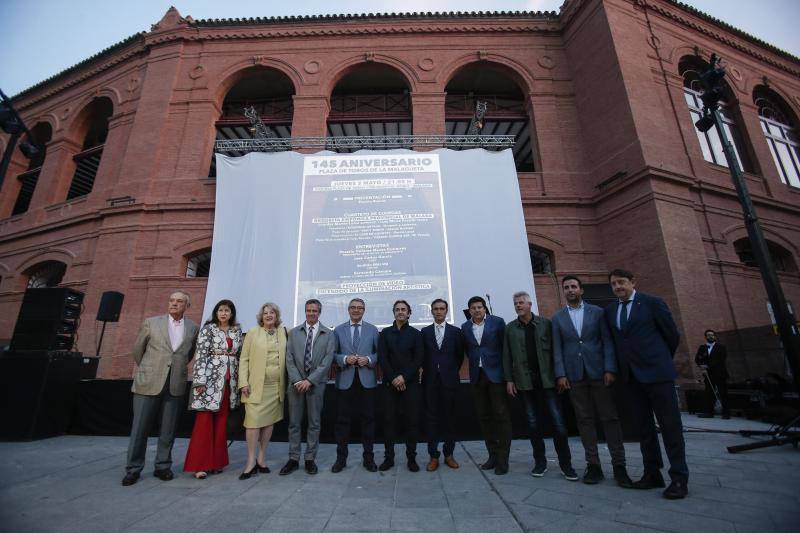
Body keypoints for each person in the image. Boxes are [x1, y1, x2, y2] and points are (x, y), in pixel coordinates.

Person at [604, 269, 688, 499]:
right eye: (613, 284)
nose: (618, 287)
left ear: (633, 282)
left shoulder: (652, 303)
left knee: (670, 427)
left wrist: (659, 359)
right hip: (631, 378)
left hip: (657, 375)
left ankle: (679, 478)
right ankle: (652, 473)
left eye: (621, 282)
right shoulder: (611, 310)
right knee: (644, 429)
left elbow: (672, 335)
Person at [551, 277, 633, 487]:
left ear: (581, 290)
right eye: (567, 287)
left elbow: (607, 341)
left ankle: (619, 465)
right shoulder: (558, 318)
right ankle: (593, 465)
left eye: (573, 287)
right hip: (574, 376)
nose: (570, 290)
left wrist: (609, 368)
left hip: (599, 373)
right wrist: (561, 374)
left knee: (610, 418)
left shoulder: (597, 312)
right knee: (584, 420)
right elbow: (557, 348)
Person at [122, 291, 199, 486]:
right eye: (172, 300)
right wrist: (150, 369)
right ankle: (133, 469)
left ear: (186, 306)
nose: (174, 304)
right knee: (140, 428)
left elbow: (187, 354)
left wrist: (175, 368)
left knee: (168, 429)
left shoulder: (192, 327)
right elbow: (138, 350)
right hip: (149, 381)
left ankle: (163, 466)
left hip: (175, 384)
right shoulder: (151, 322)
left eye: (179, 301)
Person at [503, 291, 578, 481]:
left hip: (548, 381)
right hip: (524, 382)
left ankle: (566, 464)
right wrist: (510, 380)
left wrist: (561, 375)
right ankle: (540, 462)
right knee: (532, 424)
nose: (518, 306)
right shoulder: (510, 328)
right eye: (515, 303)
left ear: (530, 305)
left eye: (521, 303)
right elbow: (507, 356)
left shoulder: (546, 324)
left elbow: (556, 351)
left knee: (558, 424)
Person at [184, 299, 243, 479]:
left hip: (229, 383)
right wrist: (199, 381)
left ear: (232, 313)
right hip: (209, 382)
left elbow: (239, 356)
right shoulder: (208, 329)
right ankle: (200, 465)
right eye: (220, 310)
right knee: (204, 422)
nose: (223, 313)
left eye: (227, 310)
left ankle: (217, 463)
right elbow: (200, 355)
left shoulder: (236, 331)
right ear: (216, 313)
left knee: (222, 422)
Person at [280, 299, 336, 475]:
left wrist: (310, 380)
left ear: (320, 312)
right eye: (308, 310)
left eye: (315, 311)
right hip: (295, 385)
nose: (311, 313)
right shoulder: (294, 332)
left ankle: (310, 459)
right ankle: (293, 458)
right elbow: (288, 358)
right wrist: (297, 380)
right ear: (305, 312)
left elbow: (327, 362)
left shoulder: (328, 334)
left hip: (316, 385)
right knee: (294, 423)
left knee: (314, 423)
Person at [238, 302, 287, 480]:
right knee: (252, 423)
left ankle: (261, 458)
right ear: (261, 316)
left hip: (275, 387)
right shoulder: (253, 333)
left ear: (276, 315)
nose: (268, 315)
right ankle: (250, 460)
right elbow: (243, 359)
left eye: (272, 312)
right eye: (265, 313)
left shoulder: (284, 332)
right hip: (255, 387)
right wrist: (243, 382)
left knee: (268, 422)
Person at [462, 295, 510, 475]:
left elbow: (505, 348)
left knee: (501, 416)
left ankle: (503, 459)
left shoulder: (497, 323)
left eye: (480, 307)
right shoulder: (465, 327)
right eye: (473, 308)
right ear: (470, 310)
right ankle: (493, 456)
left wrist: (508, 375)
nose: (477, 310)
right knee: (484, 417)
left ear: (485, 309)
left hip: (496, 376)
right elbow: (469, 350)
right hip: (477, 377)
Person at [331, 298, 380, 473]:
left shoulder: (373, 330)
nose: (356, 310)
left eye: (360, 308)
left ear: (364, 310)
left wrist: (369, 359)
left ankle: (369, 459)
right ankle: (341, 459)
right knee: (342, 422)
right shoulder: (338, 330)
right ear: (348, 310)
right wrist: (344, 359)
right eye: (353, 307)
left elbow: (379, 354)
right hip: (345, 381)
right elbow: (332, 355)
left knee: (368, 421)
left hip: (367, 382)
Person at [378, 300, 424, 472]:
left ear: (409, 313)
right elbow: (383, 358)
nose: (400, 312)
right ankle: (388, 458)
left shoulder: (416, 334)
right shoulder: (385, 334)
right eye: (397, 310)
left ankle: (411, 459)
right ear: (393, 313)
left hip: (410, 385)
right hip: (390, 384)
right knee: (389, 422)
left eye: (403, 309)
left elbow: (418, 359)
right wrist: (394, 378)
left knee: (411, 422)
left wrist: (403, 378)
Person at [421, 298, 465, 471]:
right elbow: (422, 356)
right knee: (431, 419)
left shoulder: (456, 332)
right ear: (432, 311)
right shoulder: (424, 332)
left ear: (446, 311)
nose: (439, 311)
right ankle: (433, 456)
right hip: (430, 381)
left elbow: (459, 356)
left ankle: (449, 454)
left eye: (442, 309)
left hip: (449, 381)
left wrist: (449, 370)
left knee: (449, 418)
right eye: (436, 309)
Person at [695, 329, 730, 419]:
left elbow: (720, 359)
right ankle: (709, 413)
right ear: (705, 337)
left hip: (720, 374)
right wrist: (701, 366)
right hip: (708, 375)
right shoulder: (702, 347)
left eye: (712, 335)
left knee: (723, 393)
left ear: (715, 336)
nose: (710, 336)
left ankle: (726, 413)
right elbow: (697, 359)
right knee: (709, 393)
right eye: (708, 335)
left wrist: (707, 366)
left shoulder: (721, 347)